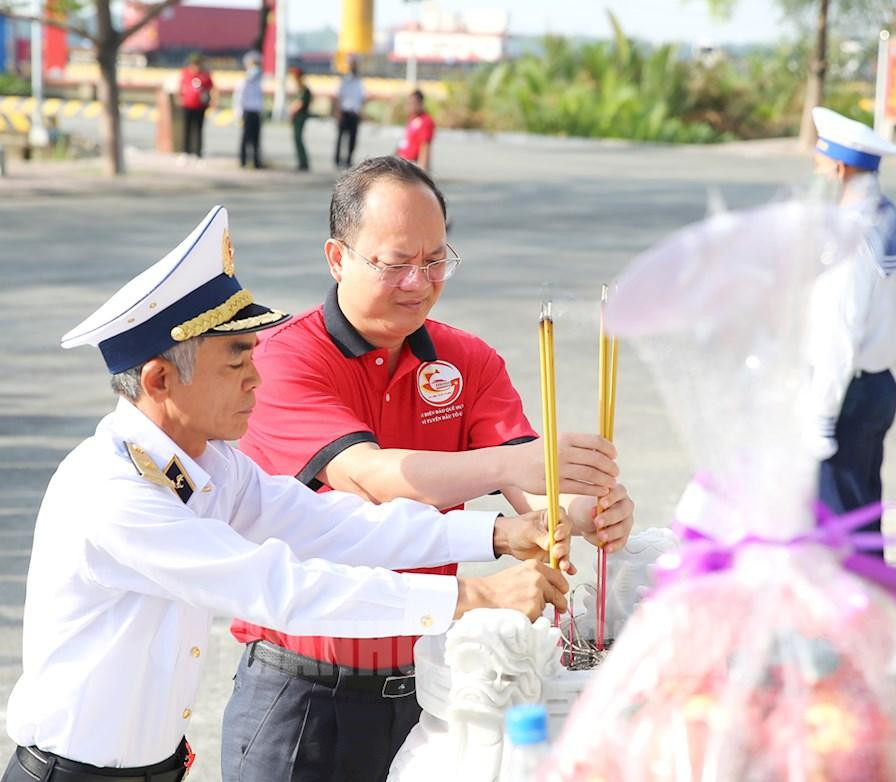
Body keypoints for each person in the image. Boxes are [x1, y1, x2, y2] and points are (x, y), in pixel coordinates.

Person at [0, 205, 573, 782]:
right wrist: (471, 596)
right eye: (236, 361)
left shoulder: (208, 463)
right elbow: (280, 587)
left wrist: (496, 533)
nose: (256, 378)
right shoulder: (115, 491)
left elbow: (330, 525)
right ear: (159, 379)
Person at [221, 156, 635, 782]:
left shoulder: (466, 359)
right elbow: (371, 478)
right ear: (338, 258)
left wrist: (582, 513)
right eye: (396, 262)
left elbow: (530, 495)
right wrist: (517, 463)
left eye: (437, 259)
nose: (419, 280)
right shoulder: (284, 358)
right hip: (302, 695)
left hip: (429, 689)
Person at [808, 106, 896, 559]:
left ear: (838, 169)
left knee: (837, 533)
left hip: (845, 394)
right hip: (876, 387)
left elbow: (840, 334)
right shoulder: (885, 218)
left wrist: (820, 417)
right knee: (860, 517)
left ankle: (857, 625)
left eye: (819, 166)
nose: (817, 175)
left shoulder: (852, 235)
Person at [178, 52, 213, 158]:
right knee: (186, 129)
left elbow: (211, 89)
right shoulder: (185, 73)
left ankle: (198, 153)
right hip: (188, 105)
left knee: (198, 130)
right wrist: (180, 98)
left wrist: (212, 101)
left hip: (200, 106)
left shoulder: (205, 75)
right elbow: (181, 87)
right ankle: (186, 152)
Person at [234, 51, 264, 169]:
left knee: (256, 138)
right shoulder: (244, 81)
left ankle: (256, 161)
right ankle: (243, 160)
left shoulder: (258, 81)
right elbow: (239, 98)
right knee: (246, 138)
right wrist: (239, 113)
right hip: (247, 111)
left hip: (256, 111)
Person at [335, 60, 365, 169]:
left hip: (354, 113)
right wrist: (338, 111)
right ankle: (337, 160)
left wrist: (361, 112)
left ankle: (348, 159)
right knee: (341, 138)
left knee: (352, 139)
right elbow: (339, 96)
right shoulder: (345, 81)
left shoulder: (359, 82)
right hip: (345, 112)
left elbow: (361, 99)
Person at [397, 89, 435, 171]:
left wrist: (422, 169)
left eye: (413, 103)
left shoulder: (426, 121)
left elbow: (425, 145)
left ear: (420, 104)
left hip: (413, 165)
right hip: (403, 162)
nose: (410, 106)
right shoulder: (412, 119)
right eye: (409, 103)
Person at [289, 66, 312, 172]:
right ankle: (301, 161)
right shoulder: (300, 89)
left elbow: (299, 104)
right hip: (297, 117)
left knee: (298, 139)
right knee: (297, 139)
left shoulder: (304, 90)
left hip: (300, 117)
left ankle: (303, 162)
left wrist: (292, 110)